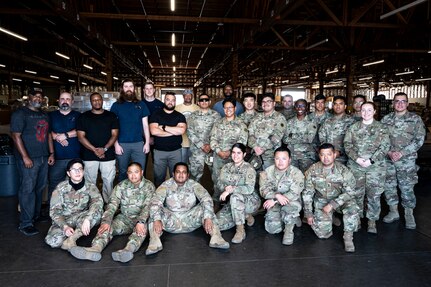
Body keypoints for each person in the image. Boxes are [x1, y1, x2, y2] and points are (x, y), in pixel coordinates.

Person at [70, 162, 155, 262]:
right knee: (105, 228)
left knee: (140, 231)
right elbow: (112, 205)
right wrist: (106, 221)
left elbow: (147, 207)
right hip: (124, 219)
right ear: (127, 173)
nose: (133, 175)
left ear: (141, 172)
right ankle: (95, 249)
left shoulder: (149, 186)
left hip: (142, 219)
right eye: (130, 172)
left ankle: (128, 250)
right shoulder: (121, 186)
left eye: (136, 172)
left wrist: (140, 222)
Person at [145, 162, 230, 255]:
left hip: (190, 219)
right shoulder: (166, 185)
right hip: (171, 220)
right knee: (154, 213)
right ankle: (154, 242)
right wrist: (157, 219)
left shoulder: (193, 184)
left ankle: (216, 238)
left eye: (184, 172)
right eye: (178, 172)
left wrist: (208, 217)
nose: (181, 175)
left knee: (206, 209)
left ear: (188, 175)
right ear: (173, 174)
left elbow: (206, 198)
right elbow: (155, 202)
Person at [11, 88, 55, 236]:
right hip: (29, 158)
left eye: (40, 97)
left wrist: (51, 153)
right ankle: (26, 223)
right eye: (35, 96)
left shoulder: (44, 114)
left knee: (39, 187)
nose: (38, 98)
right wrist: (25, 157)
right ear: (28, 97)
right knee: (27, 189)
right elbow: (16, 136)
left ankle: (35, 215)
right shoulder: (20, 114)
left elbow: (48, 135)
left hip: (43, 156)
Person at [381, 92, 426, 229]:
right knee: (389, 187)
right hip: (389, 160)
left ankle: (408, 214)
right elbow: (381, 139)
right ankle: (393, 211)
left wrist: (402, 153)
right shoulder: (386, 119)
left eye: (403, 101)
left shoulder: (415, 119)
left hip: (406, 161)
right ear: (393, 103)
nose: (400, 104)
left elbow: (419, 140)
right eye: (397, 101)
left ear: (407, 103)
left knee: (406, 187)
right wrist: (389, 152)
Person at [303, 143, 360, 252]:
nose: (326, 158)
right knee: (323, 235)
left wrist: (333, 204)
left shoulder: (343, 170)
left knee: (352, 209)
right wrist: (308, 214)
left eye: (329, 154)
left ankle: (348, 237)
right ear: (319, 155)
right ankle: (330, 217)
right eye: (322, 155)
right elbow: (307, 193)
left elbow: (351, 191)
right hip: (322, 201)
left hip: (341, 200)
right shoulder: (312, 170)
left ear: (334, 155)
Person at [344, 102, 390, 233]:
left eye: (369, 110)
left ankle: (372, 221)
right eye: (363, 110)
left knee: (374, 195)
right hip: (356, 166)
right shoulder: (353, 127)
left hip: (375, 167)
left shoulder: (382, 128)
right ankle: (357, 218)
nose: (366, 113)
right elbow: (347, 144)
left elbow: (385, 146)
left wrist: (371, 160)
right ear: (360, 111)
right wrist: (357, 159)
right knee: (356, 194)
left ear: (375, 111)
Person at [45, 159, 103, 251]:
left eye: (80, 169)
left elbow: (97, 203)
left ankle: (72, 239)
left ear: (83, 171)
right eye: (74, 169)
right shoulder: (60, 188)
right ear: (68, 173)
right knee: (53, 241)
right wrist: (65, 226)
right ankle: (72, 234)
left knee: (96, 214)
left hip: (82, 217)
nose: (78, 172)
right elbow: (54, 211)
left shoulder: (90, 186)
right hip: (65, 219)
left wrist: (88, 219)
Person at [76, 92, 119, 203]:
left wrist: (104, 149)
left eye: (98, 99)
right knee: (90, 182)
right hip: (89, 155)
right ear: (90, 102)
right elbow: (81, 137)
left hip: (108, 154)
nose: (96, 102)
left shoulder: (111, 116)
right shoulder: (83, 117)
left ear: (102, 101)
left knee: (108, 181)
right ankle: (93, 204)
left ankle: (107, 205)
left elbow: (114, 135)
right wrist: (95, 150)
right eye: (94, 100)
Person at [216, 143, 261, 243]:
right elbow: (219, 183)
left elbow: (249, 189)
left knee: (235, 197)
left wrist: (231, 189)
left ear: (244, 154)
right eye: (233, 152)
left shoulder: (249, 169)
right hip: (234, 202)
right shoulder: (226, 167)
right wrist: (225, 188)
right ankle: (246, 216)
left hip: (250, 201)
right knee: (217, 223)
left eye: (239, 153)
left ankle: (240, 230)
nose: (235, 155)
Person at [259, 146, 304, 245]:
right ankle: (292, 218)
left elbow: (294, 193)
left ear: (289, 160)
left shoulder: (296, 173)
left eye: (284, 158)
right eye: (277, 158)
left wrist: (275, 199)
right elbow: (263, 190)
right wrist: (277, 195)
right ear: (274, 159)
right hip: (274, 202)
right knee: (272, 229)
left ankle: (288, 231)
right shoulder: (267, 172)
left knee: (289, 209)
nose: (280, 162)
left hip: (291, 202)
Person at [111, 79, 150, 181]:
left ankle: (140, 195)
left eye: (131, 86)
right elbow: (112, 127)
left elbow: (146, 126)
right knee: (123, 172)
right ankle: (122, 195)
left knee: (140, 171)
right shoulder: (116, 106)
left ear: (134, 89)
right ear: (122, 89)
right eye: (126, 86)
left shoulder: (141, 105)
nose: (128, 89)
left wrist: (147, 143)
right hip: (122, 144)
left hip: (138, 144)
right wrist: (116, 145)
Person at [210, 98, 248, 203]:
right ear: (223, 109)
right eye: (226, 108)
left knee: (234, 179)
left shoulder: (241, 124)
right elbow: (212, 139)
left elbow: (242, 142)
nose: (228, 110)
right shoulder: (218, 123)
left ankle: (231, 201)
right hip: (219, 157)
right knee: (218, 178)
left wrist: (230, 153)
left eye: (230, 107)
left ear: (235, 108)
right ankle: (217, 200)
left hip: (234, 158)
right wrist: (219, 151)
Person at [149, 91, 187, 187]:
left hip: (176, 151)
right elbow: (154, 131)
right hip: (159, 152)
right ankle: (159, 198)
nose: (170, 102)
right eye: (168, 99)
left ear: (175, 102)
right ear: (164, 100)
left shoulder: (180, 116)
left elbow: (181, 131)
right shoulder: (156, 114)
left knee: (176, 177)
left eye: (173, 100)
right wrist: (173, 131)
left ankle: (174, 198)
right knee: (159, 177)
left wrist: (164, 127)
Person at [48, 92, 81, 202]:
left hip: (74, 158)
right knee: (54, 186)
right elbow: (47, 132)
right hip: (56, 158)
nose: (65, 101)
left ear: (72, 101)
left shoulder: (78, 116)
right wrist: (58, 137)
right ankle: (53, 211)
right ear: (59, 100)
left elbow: (81, 132)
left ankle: (74, 211)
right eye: (62, 99)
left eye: (67, 99)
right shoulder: (51, 116)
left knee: (75, 186)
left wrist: (65, 135)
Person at [248, 92, 287, 169]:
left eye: (268, 101)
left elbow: (277, 136)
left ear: (274, 103)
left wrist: (263, 148)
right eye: (263, 102)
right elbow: (250, 133)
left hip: (270, 157)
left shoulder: (279, 118)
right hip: (255, 155)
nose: (265, 103)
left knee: (268, 179)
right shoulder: (256, 117)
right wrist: (255, 147)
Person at [187, 93, 221, 182]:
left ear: (209, 102)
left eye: (206, 100)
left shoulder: (216, 115)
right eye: (201, 100)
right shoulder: (193, 116)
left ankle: (217, 195)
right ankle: (195, 195)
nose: (204, 102)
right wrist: (202, 145)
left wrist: (210, 145)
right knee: (195, 176)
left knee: (216, 175)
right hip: (197, 152)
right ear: (198, 103)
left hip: (213, 151)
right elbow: (190, 132)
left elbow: (219, 132)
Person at [283, 99, 318, 173]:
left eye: (303, 106)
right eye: (298, 106)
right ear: (295, 107)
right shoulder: (289, 122)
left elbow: (309, 139)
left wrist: (292, 136)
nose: (300, 108)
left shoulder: (312, 121)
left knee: (306, 176)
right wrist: (302, 136)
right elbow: (285, 139)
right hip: (292, 155)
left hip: (306, 156)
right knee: (292, 177)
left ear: (306, 108)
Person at [318, 96, 355, 165]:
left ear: (345, 106)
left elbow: (354, 141)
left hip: (345, 158)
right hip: (328, 158)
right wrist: (326, 151)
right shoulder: (327, 121)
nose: (338, 106)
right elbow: (322, 137)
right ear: (333, 106)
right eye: (335, 104)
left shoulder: (351, 122)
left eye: (341, 104)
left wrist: (340, 152)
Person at [175, 89, 199, 163]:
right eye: (186, 95)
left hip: (195, 143)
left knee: (194, 165)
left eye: (189, 95)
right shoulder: (177, 108)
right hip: (182, 143)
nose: (188, 97)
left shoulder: (197, 108)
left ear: (192, 96)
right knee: (182, 163)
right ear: (183, 96)